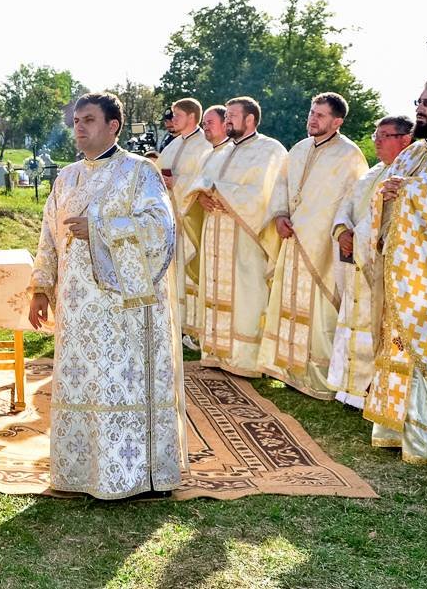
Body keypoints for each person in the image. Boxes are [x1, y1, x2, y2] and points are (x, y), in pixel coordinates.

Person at [29, 92, 185, 499]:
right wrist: (41, 286)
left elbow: (161, 228)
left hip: (123, 310)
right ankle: (81, 474)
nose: (79, 128)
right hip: (77, 306)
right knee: (83, 385)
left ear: (113, 126)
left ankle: (138, 477)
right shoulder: (66, 177)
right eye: (76, 121)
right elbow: (49, 235)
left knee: (121, 383)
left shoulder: (139, 172)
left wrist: (99, 228)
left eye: (89, 120)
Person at [367, 75, 427, 464]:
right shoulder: (411, 153)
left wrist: (411, 192)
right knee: (398, 347)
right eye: (419, 102)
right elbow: (387, 196)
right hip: (403, 273)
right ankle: (396, 427)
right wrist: (387, 196)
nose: (420, 110)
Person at [258, 93, 368, 399]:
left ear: (337, 121)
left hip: (322, 248)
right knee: (288, 303)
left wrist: (320, 229)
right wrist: (280, 215)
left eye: (320, 115)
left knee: (319, 312)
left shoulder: (349, 155)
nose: (312, 119)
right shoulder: (299, 148)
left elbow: (351, 201)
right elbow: (282, 187)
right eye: (311, 113)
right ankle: (288, 370)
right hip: (293, 240)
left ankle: (319, 378)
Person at [184, 97, 287, 377]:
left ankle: (245, 359)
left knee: (246, 292)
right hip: (215, 232)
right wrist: (201, 197)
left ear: (250, 119)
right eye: (226, 116)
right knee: (214, 288)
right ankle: (216, 352)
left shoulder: (269, 150)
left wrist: (221, 192)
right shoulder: (221, 152)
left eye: (232, 116)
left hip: (244, 235)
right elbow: (201, 183)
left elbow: (265, 193)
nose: (227, 120)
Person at [326, 116, 413, 408]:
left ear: (405, 140)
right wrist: (342, 231)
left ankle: (368, 393)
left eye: (385, 135)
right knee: (352, 322)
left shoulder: (408, 174)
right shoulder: (372, 173)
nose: (377, 141)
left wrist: (359, 237)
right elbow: (347, 206)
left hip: (379, 263)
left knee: (373, 326)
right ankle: (347, 389)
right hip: (356, 260)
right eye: (376, 135)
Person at [157, 98, 214, 345]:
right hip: (170, 216)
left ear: (191, 117)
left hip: (191, 218)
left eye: (177, 115)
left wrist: (177, 182)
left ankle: (191, 326)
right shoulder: (173, 144)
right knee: (173, 270)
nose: (173, 119)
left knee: (188, 269)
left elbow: (205, 180)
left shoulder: (205, 145)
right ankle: (174, 322)